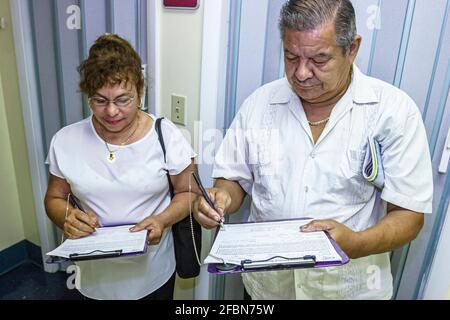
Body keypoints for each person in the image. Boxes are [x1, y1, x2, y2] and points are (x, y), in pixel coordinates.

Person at [193, 0, 433, 300]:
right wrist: (222, 198)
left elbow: (409, 215)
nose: (302, 73)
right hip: (268, 289)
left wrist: (356, 243)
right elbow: (234, 180)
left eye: (319, 60)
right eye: (291, 56)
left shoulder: (393, 112)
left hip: (348, 290)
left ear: (353, 48)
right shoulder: (259, 104)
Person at [44, 34, 198, 300]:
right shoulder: (65, 140)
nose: (112, 112)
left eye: (123, 99)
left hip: (153, 273)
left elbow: (190, 193)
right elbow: (55, 197)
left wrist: (162, 220)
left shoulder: (166, 135)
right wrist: (66, 218)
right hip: (93, 277)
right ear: (88, 96)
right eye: (100, 100)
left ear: (140, 91)